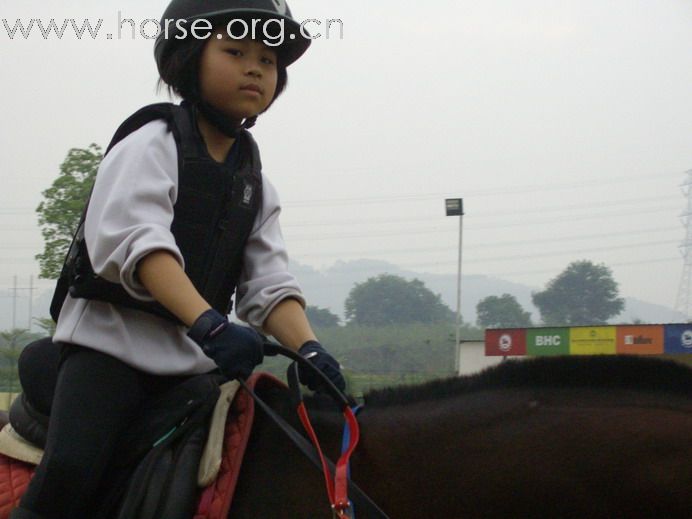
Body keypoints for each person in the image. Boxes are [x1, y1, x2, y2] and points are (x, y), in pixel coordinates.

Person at [10, 1, 344, 518]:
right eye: (235, 51)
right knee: (73, 469)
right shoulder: (150, 145)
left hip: (193, 370)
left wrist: (313, 351)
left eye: (269, 60)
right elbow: (140, 247)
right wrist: (210, 325)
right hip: (109, 355)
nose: (255, 67)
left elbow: (270, 283)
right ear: (189, 56)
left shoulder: (255, 185)